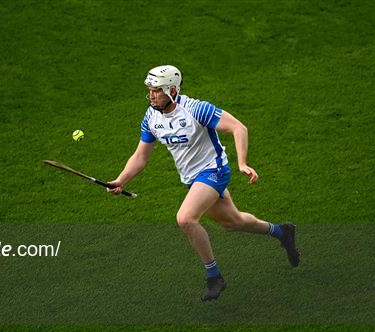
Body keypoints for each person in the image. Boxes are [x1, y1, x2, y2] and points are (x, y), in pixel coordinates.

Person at [107, 65, 300, 301]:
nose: (151, 95)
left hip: (214, 171)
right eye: (150, 90)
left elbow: (239, 128)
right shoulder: (151, 117)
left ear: (172, 90)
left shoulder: (196, 109)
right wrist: (121, 180)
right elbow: (140, 156)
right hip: (193, 180)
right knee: (233, 222)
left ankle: (214, 276)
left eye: (157, 90)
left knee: (185, 218)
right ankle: (282, 232)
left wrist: (242, 163)